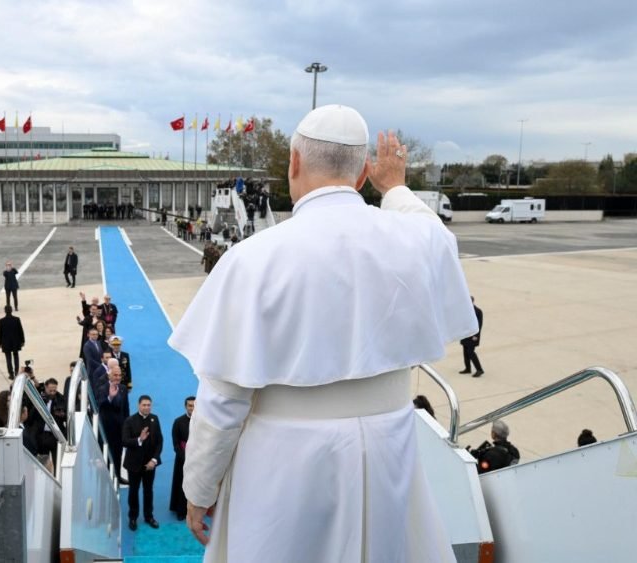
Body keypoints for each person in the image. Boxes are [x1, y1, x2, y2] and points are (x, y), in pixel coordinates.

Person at [168, 106, 478, 562]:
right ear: (362, 174)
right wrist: (395, 187)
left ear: (294, 162)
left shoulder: (252, 259)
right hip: (389, 452)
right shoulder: (417, 241)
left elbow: (223, 398)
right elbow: (435, 235)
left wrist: (199, 488)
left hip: (286, 463)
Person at [122, 395, 163, 531]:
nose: (146, 407)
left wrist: (154, 460)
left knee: (148, 490)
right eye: (144, 405)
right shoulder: (129, 420)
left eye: (148, 405)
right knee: (133, 491)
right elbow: (125, 441)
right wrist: (139, 439)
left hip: (150, 464)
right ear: (138, 405)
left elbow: (159, 441)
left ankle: (149, 516)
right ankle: (133, 517)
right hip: (134, 464)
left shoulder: (154, 419)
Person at [97, 365, 129, 482]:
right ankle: (106, 478)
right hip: (107, 428)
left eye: (119, 375)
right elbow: (100, 405)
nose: (118, 377)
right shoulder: (103, 388)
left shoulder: (123, 388)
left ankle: (117, 476)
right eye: (115, 375)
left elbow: (125, 409)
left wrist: (127, 426)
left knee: (118, 453)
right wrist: (110, 397)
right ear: (109, 375)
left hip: (120, 428)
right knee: (106, 453)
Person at [169, 396, 195, 521]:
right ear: (185, 407)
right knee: (181, 484)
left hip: (198, 459)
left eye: (195, 405)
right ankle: (181, 510)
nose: (192, 408)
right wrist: (184, 457)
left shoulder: (203, 422)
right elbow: (176, 443)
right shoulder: (178, 422)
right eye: (190, 405)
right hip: (182, 459)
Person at [0, 305, 25, 378]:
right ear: (11, 310)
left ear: (5, 311)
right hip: (15, 342)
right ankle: (16, 372)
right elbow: (21, 331)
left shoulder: (1, 321)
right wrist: (22, 341)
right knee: (16, 357)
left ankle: (11, 374)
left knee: (8, 358)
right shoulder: (16, 319)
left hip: (6, 343)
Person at [459, 296, 485, 377]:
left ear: (472, 302)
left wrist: (475, 335)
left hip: (473, 336)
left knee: (471, 352)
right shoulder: (465, 310)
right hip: (465, 335)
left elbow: (479, 324)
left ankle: (479, 370)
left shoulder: (478, 311)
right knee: (465, 352)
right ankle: (468, 368)